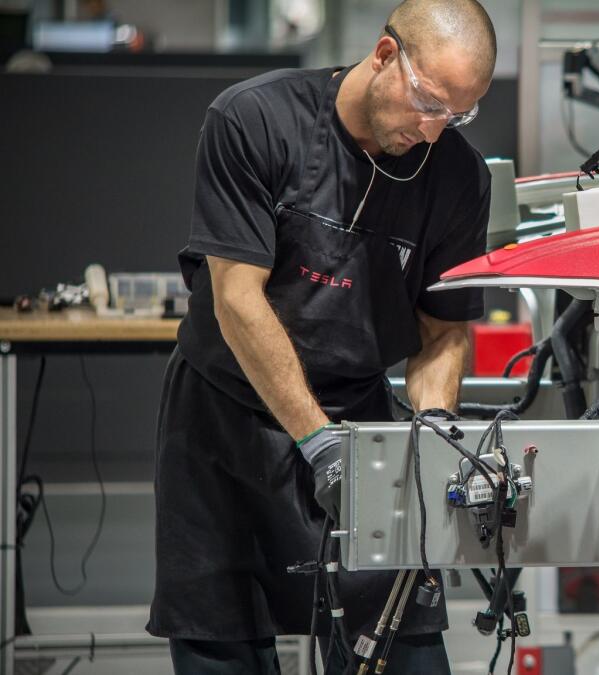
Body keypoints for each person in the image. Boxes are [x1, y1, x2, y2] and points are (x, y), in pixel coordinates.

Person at [147, 0, 496, 672]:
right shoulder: (255, 120)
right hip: (223, 428)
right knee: (225, 647)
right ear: (386, 55)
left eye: (455, 114)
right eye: (427, 101)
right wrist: (317, 441)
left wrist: (432, 437)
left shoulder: (457, 176)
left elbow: (443, 329)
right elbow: (237, 299)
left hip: (359, 421)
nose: (431, 131)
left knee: (406, 649)